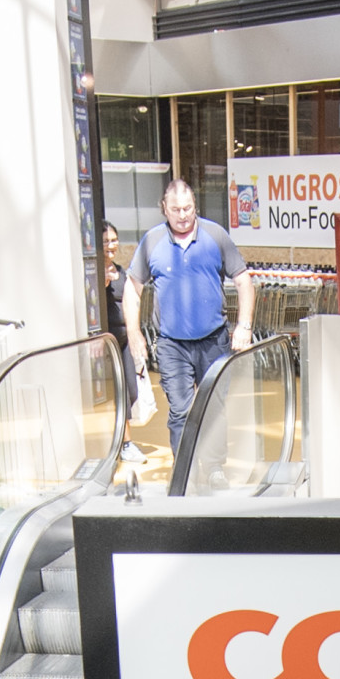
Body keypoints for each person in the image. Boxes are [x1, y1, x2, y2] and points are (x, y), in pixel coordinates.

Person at [125, 175, 254, 475]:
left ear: (195, 206)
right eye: (176, 209)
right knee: (180, 411)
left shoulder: (215, 235)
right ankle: (185, 471)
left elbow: (243, 280)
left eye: (188, 208)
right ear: (164, 209)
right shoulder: (152, 242)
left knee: (213, 406)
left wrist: (244, 325)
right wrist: (134, 334)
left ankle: (213, 469)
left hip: (214, 339)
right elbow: (132, 289)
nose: (183, 215)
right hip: (172, 343)